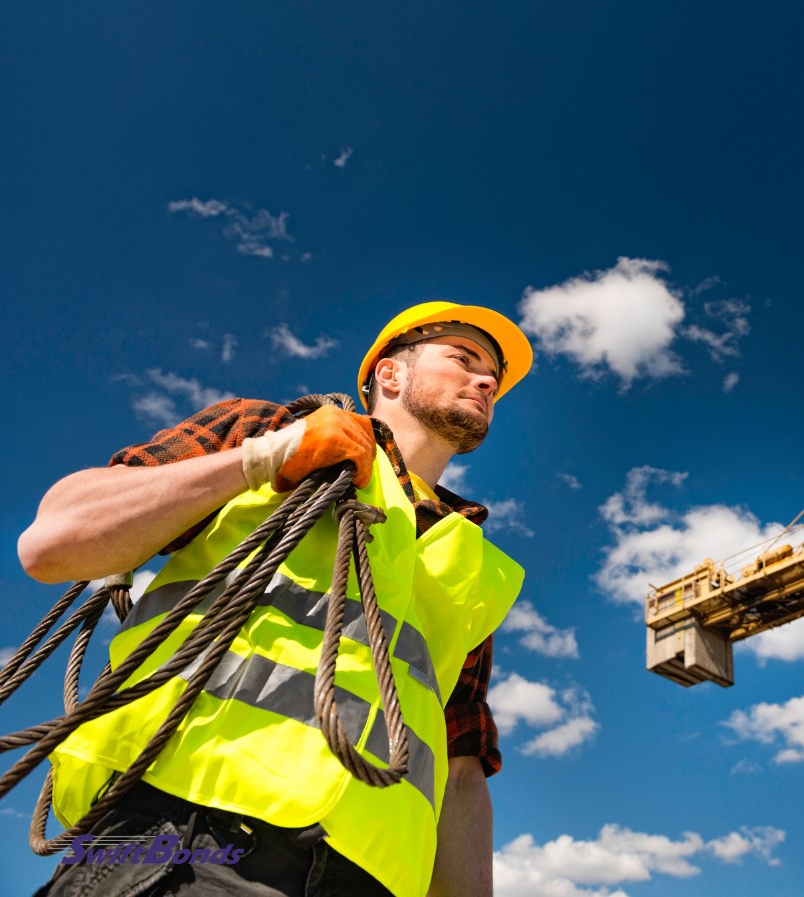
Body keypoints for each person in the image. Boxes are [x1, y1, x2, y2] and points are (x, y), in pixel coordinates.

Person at [17, 302, 532, 897]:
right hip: (172, 833)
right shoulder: (270, 431)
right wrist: (265, 458)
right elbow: (53, 542)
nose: (487, 380)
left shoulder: (467, 558)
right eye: (463, 359)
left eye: (492, 374)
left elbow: (461, 774)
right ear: (390, 375)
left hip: (369, 878)